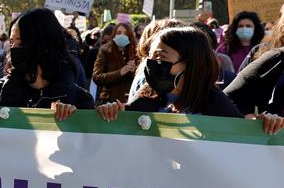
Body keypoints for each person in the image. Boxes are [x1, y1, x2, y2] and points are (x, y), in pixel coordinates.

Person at [98, 26, 244, 121]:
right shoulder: (144, 101)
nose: (151, 64)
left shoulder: (219, 107)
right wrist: (111, 112)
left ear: (190, 63)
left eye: (160, 57)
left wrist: (257, 124)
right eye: (150, 57)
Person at [0, 8, 94, 120]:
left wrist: (76, 119)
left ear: (45, 45)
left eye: (21, 43)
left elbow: (90, 133)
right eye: (12, 43)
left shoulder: (80, 100)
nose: (14, 49)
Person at [92, 22, 137, 103]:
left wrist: (134, 72)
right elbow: (97, 77)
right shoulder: (105, 50)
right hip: (108, 100)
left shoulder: (136, 52)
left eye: (126, 33)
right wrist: (120, 72)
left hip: (129, 100)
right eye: (119, 33)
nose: (122, 36)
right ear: (114, 35)